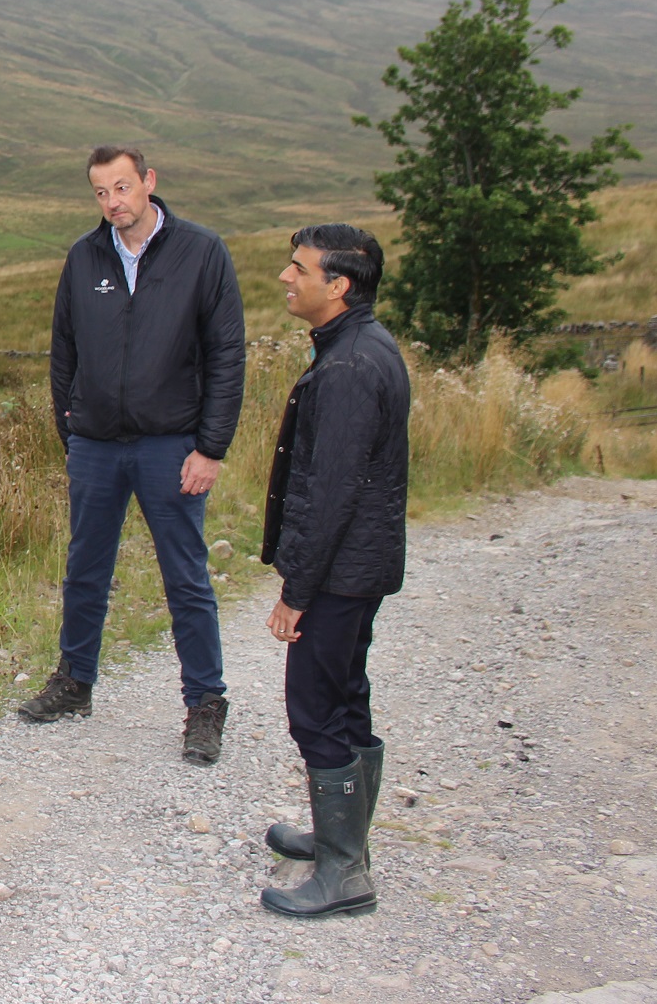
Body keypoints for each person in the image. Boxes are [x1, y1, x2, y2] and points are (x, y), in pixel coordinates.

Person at [21, 145, 246, 765]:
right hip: (96, 443)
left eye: (122, 188)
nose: (112, 203)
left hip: (170, 443)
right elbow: (62, 350)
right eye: (100, 192)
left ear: (148, 182)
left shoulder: (202, 253)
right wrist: (72, 430)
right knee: (85, 567)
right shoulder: (84, 256)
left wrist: (211, 447)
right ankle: (74, 682)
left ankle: (204, 705)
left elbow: (228, 355)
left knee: (186, 576)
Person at [259, 224, 409, 919]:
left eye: (299, 268)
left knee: (316, 709)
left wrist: (297, 590)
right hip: (360, 568)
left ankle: (344, 872)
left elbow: (332, 491)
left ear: (338, 284)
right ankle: (337, 840)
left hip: (340, 572)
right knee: (347, 697)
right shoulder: (361, 345)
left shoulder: (349, 367)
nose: (287, 278)